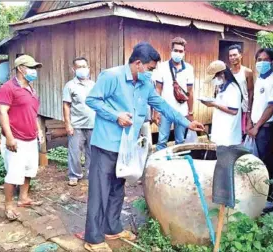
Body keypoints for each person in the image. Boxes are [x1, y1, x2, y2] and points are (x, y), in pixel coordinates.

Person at [83, 42, 204, 252]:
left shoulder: (145, 85)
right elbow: (92, 100)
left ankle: (112, 228)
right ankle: (93, 239)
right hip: (106, 144)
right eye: (150, 68)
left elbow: (163, 105)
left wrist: (186, 122)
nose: (152, 73)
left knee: (117, 188)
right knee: (99, 191)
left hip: (126, 146)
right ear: (138, 64)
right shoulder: (112, 77)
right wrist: (116, 116)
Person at [0, 55, 44, 220]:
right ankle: (8, 205)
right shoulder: (8, 88)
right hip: (16, 138)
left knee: (29, 170)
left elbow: (33, 113)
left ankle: (23, 198)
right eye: (30, 67)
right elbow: (2, 112)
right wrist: (9, 137)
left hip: (31, 137)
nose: (34, 71)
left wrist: (39, 130)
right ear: (20, 68)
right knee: (13, 173)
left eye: (34, 67)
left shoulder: (31, 88)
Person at [247, 48, 273, 213]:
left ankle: (268, 199)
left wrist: (257, 126)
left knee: (266, 162)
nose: (261, 62)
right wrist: (249, 121)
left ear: (271, 62)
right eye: (259, 59)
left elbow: (271, 106)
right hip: (256, 126)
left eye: (265, 59)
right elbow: (255, 102)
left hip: (265, 128)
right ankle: (257, 194)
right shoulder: (260, 79)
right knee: (256, 161)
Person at [153, 37, 195, 150]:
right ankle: (160, 164)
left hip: (181, 111)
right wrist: (156, 112)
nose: (178, 53)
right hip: (165, 110)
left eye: (180, 51)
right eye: (175, 50)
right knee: (162, 140)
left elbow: (190, 92)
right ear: (171, 51)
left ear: (184, 52)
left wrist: (190, 112)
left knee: (180, 141)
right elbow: (158, 90)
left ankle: (178, 164)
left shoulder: (189, 69)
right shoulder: (162, 67)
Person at [62, 57, 96, 186]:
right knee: (75, 151)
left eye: (85, 66)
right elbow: (66, 105)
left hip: (93, 123)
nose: (83, 69)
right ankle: (74, 175)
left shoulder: (93, 85)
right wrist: (67, 124)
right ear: (73, 69)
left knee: (92, 151)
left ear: (88, 68)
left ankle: (90, 173)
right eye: (79, 67)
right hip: (76, 125)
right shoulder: (70, 85)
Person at [202, 60, 242, 146]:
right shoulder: (223, 87)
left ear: (222, 74)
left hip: (229, 135)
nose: (214, 80)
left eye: (214, 77)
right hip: (222, 132)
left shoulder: (232, 88)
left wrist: (214, 104)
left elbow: (233, 111)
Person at [228, 44, 254, 139]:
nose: (232, 57)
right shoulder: (227, 73)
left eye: (235, 55)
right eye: (230, 55)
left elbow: (251, 92)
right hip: (230, 109)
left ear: (240, 55)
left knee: (241, 136)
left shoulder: (247, 72)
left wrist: (249, 111)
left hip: (243, 109)